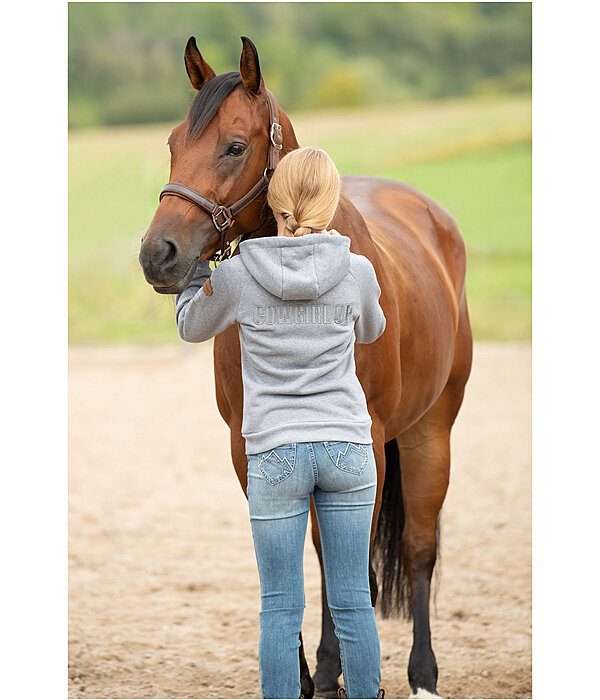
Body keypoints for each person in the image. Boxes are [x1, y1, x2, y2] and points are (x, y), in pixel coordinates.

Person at [175, 147, 386, 699]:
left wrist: (196, 274)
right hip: (346, 447)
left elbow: (192, 327)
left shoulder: (241, 274)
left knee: (279, 606)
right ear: (332, 202)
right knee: (352, 601)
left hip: (275, 453)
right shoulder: (357, 270)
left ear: (273, 201)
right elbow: (371, 330)